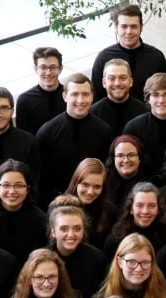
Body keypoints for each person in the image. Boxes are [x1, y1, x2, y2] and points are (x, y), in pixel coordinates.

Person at [36, 73, 114, 203]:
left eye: (85, 94)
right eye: (75, 94)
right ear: (65, 96)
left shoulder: (103, 131)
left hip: (93, 199)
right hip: (58, 202)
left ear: (92, 97)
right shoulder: (47, 132)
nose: (80, 100)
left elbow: (107, 171)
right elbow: (41, 178)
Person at [91, 4, 166, 101]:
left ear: (141, 28)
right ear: (116, 28)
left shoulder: (156, 57)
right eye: (124, 26)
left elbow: (165, 92)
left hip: (148, 114)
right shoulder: (103, 58)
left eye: (134, 27)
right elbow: (96, 96)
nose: (129, 31)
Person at [0, 159, 49, 263]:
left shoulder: (40, 220)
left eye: (19, 185)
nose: (12, 191)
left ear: (28, 189)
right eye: (6, 185)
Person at [46, 196, 106, 298]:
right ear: (53, 232)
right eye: (64, 229)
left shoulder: (97, 259)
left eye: (77, 229)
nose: (71, 235)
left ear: (84, 230)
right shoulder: (42, 259)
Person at [104, 183, 166, 259]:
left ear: (158, 209)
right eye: (139, 205)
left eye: (151, 205)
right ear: (131, 209)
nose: (145, 211)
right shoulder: (116, 238)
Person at [64, 158, 115, 247]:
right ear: (76, 183)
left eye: (97, 186)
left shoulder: (109, 211)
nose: (90, 191)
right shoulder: (60, 207)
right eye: (85, 184)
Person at [90, 59, 150, 135]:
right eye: (111, 78)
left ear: (131, 82)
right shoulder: (92, 114)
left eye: (123, 78)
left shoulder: (145, 112)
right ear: (104, 83)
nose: (117, 83)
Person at [16, 47, 66, 135]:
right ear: (36, 69)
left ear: (60, 69)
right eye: (43, 67)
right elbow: (24, 137)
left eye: (53, 67)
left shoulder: (70, 95)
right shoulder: (25, 100)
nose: (48, 72)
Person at [104, 135, 150, 207]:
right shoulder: (102, 181)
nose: (126, 160)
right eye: (120, 155)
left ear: (140, 158)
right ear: (113, 159)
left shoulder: (149, 185)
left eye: (131, 155)